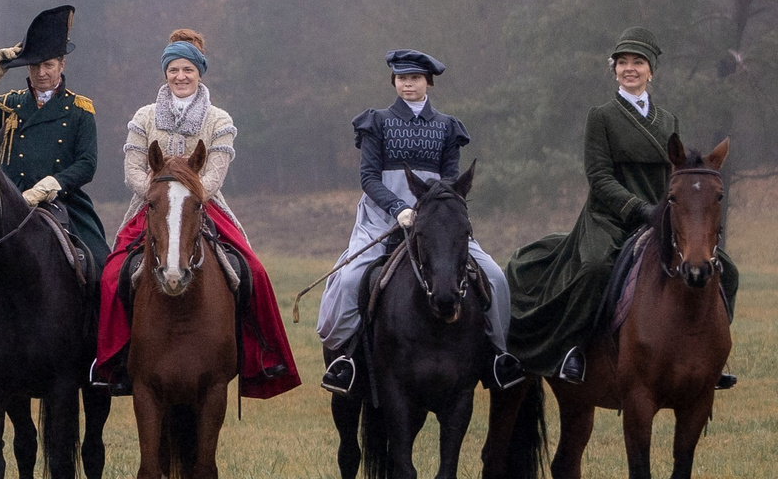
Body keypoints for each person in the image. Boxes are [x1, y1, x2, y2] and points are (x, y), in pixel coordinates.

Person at [505, 27, 738, 386]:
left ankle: (712, 358)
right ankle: (574, 350)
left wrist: (668, 213)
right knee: (595, 268)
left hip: (662, 217)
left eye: (638, 62)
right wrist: (638, 210)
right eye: (623, 62)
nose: (630, 69)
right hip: (608, 218)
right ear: (614, 70)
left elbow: (673, 178)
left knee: (729, 271)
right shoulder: (601, 116)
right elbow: (599, 177)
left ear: (651, 71)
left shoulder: (668, 120)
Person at [90, 28, 299, 398]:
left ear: (200, 72)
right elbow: (132, 170)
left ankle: (261, 356)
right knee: (110, 276)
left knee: (254, 272)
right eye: (174, 70)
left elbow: (214, 176)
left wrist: (186, 194)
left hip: (203, 206)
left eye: (188, 69)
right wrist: (160, 194)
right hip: (151, 206)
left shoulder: (219, 119)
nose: (180, 76)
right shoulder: (144, 115)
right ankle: (114, 361)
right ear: (165, 73)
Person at [316, 49, 522, 395]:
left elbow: (453, 182)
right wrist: (398, 207)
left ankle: (497, 356)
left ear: (428, 82)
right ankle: (345, 360)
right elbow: (368, 177)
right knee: (349, 280)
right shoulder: (376, 122)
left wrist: (433, 212)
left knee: (496, 279)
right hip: (382, 220)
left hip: (439, 223)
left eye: (414, 78)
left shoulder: (448, 127)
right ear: (394, 82)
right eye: (401, 78)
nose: (407, 84)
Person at [0, 3, 108, 381]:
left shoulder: (81, 109)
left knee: (100, 267)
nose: (41, 73)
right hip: (6, 208)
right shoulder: (12, 103)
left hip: (62, 205)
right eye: (34, 66)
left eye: (48, 65)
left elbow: (88, 162)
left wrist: (54, 184)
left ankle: (100, 356)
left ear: (62, 66)